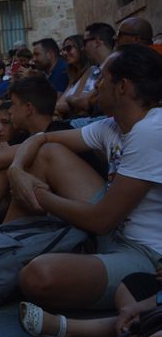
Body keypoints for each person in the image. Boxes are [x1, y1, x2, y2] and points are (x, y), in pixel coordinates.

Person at [9, 44, 162, 310]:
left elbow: (101, 220)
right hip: (113, 230)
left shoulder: (151, 130)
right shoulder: (112, 125)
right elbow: (42, 138)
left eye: (102, 79)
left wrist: (37, 194)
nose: (95, 88)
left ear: (123, 86)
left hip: (144, 253)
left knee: (38, 277)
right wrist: (17, 170)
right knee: (50, 153)